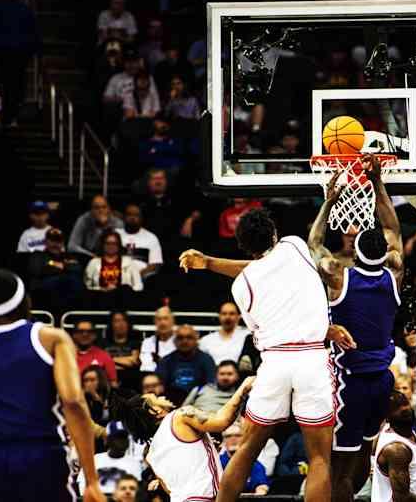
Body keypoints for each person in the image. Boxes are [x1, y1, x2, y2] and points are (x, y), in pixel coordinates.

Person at [178, 208, 334, 502]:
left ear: (242, 244)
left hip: (274, 361)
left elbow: (253, 272)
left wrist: (209, 263)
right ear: (274, 233)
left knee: (248, 448)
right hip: (311, 358)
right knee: (319, 458)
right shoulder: (294, 245)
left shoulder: (240, 287)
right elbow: (265, 264)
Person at [307, 154, 404, 502]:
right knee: (363, 453)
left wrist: (329, 201)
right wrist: (377, 183)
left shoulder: (339, 276)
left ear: (356, 250)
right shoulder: (394, 273)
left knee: (339, 467)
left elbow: (314, 243)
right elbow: (393, 231)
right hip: (383, 380)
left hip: (352, 383)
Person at [0, 269, 105, 501]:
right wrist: (91, 480)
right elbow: (73, 402)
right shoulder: (50, 338)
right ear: (24, 301)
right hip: (42, 457)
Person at [108, 375, 256, 502]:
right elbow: (221, 421)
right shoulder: (180, 415)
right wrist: (243, 389)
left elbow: (170, 488)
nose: (162, 396)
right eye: (156, 397)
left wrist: (207, 451)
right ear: (155, 411)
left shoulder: (149, 454)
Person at [372, 391, 416, 502]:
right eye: (396, 407)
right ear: (387, 416)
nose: (404, 409)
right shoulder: (396, 449)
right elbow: (401, 498)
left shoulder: (406, 432)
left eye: (404, 403)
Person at [156, 325, 216, 406]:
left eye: (189, 337)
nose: (185, 341)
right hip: (171, 403)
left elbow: (211, 386)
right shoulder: (166, 361)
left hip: (199, 402)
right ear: (175, 341)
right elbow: (160, 387)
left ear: (196, 340)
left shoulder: (206, 360)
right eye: (180, 338)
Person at [78, 421, 143, 495]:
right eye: (117, 438)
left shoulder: (134, 463)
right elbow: (83, 486)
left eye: (124, 437)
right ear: (108, 440)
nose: (122, 441)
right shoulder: (94, 460)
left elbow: (135, 493)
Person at [219, 424, 271, 494]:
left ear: (244, 438)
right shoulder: (217, 463)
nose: (233, 439)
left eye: (237, 435)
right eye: (228, 436)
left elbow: (262, 488)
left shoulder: (253, 464)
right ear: (223, 441)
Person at [116, 203, 163, 279]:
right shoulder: (115, 234)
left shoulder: (151, 237)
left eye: (136, 215)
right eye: (129, 214)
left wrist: (138, 276)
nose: (132, 218)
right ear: (123, 217)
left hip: (142, 277)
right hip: (116, 275)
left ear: (141, 218)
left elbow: (155, 264)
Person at [103, 312, 141, 390]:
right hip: (107, 380)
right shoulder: (103, 343)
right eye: (117, 321)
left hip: (131, 382)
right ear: (112, 324)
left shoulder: (135, 343)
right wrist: (125, 360)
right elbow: (102, 363)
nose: (121, 324)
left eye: (123, 320)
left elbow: (133, 362)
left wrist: (109, 359)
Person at [73, 320, 118, 385]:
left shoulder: (104, 356)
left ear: (94, 335)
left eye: (89, 332)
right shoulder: (66, 356)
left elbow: (113, 383)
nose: (85, 334)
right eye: (80, 331)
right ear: (74, 335)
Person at [139, 306, 176, 372]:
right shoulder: (147, 342)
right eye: (159, 319)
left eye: (165, 318)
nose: (162, 323)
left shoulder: (180, 342)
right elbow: (146, 367)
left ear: (172, 321)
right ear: (155, 322)